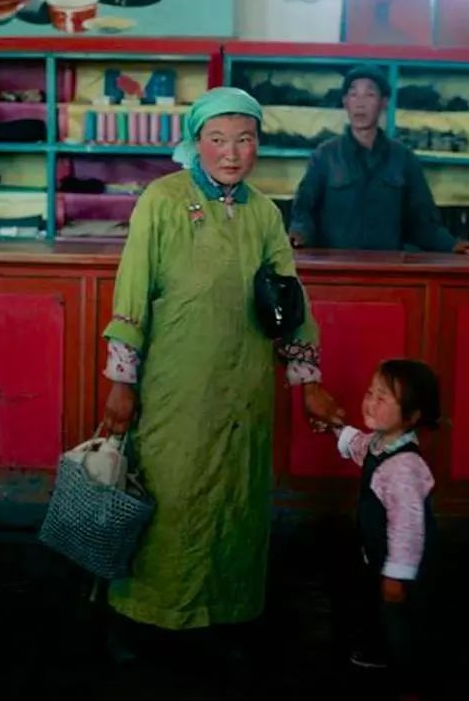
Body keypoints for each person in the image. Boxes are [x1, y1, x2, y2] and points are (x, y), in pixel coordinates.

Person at [101, 86, 344, 649]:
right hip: (176, 386)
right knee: (170, 492)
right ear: (197, 142)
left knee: (238, 497)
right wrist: (121, 383)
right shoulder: (162, 199)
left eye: (244, 140)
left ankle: (225, 609)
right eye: (217, 139)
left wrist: (308, 383)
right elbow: (132, 293)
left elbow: (289, 301)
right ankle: (151, 613)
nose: (231, 153)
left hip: (246, 386)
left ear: (258, 143)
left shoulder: (263, 213)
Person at [330, 358, 441, 701]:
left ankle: (410, 694)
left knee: (403, 625)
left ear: (412, 416)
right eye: (370, 392)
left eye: (383, 398)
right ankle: (381, 652)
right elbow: (358, 446)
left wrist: (396, 575)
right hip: (378, 556)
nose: (370, 401)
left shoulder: (404, 467)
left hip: (403, 569)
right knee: (378, 609)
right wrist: (334, 427)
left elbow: (408, 531)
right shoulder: (380, 443)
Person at [289, 65, 469, 254]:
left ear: (383, 103)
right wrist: (298, 234)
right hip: (338, 269)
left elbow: (423, 224)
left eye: (369, 94)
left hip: (388, 269)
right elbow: (304, 211)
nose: (360, 103)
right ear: (345, 102)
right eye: (353, 94)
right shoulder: (325, 156)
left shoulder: (404, 159)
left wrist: (452, 245)